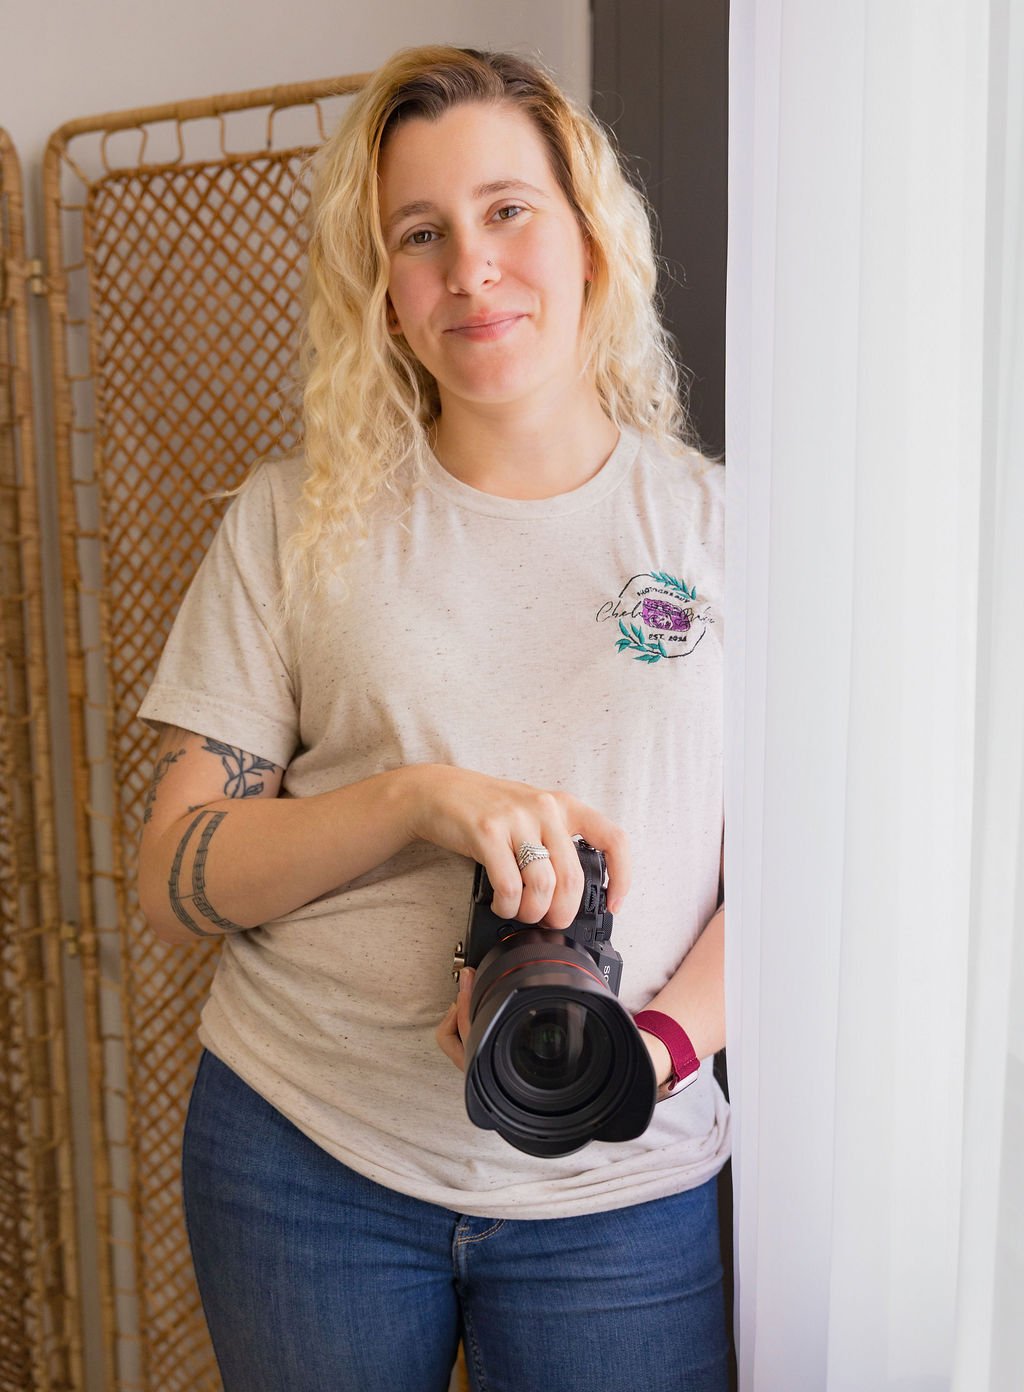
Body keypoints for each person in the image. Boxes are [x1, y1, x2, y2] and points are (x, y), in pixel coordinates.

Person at [137, 44, 729, 1392]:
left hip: (619, 1191)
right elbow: (172, 880)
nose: (471, 268)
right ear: (384, 292)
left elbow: (811, 874)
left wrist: (657, 1048)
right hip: (307, 1160)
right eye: (422, 234)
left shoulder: (725, 531)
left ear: (589, 236)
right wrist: (418, 799)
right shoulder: (292, 521)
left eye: (508, 210)